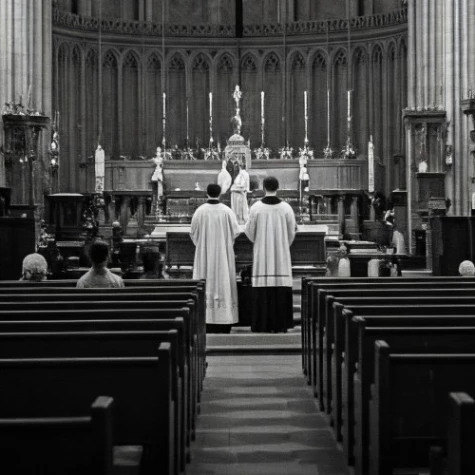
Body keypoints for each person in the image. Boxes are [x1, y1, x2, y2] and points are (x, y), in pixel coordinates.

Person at [245, 176, 298, 332]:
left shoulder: (255, 208)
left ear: (263, 188)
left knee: (262, 290)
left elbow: (249, 232)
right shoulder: (286, 208)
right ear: (278, 188)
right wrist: (282, 244)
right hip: (281, 256)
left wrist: (260, 242)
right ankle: (281, 324)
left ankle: (262, 324)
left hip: (262, 256)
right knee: (280, 289)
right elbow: (291, 232)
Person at [190, 183, 240, 333]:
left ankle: (205, 320)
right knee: (223, 281)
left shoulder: (200, 211)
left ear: (207, 193)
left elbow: (193, 233)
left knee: (205, 280)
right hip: (223, 255)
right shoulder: (227, 211)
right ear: (220, 193)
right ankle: (224, 320)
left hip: (204, 254)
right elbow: (235, 232)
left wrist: (202, 245)